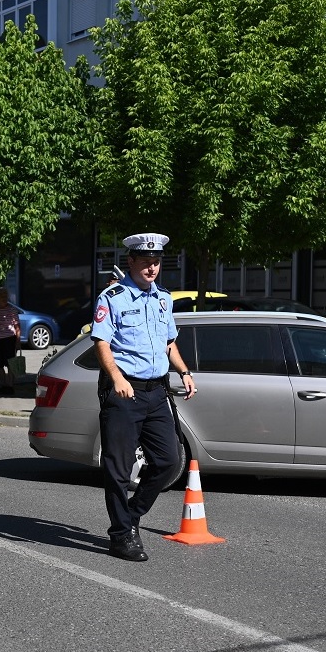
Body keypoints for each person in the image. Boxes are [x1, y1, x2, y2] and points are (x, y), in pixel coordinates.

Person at [90, 232, 196, 562]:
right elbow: (101, 343)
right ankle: (121, 536)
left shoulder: (164, 298)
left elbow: (169, 343)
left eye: (157, 262)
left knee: (168, 462)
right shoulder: (113, 297)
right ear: (131, 261)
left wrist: (184, 371)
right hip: (124, 391)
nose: (152, 267)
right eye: (146, 261)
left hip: (156, 391)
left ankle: (132, 515)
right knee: (118, 469)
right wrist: (117, 378)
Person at [0, 287, 21, 395]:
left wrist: (17, 342)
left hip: (9, 340)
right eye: (0, 298)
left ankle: (10, 386)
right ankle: (4, 385)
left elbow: (17, 327)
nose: (3, 300)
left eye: (4, 298)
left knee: (10, 364)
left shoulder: (12, 310)